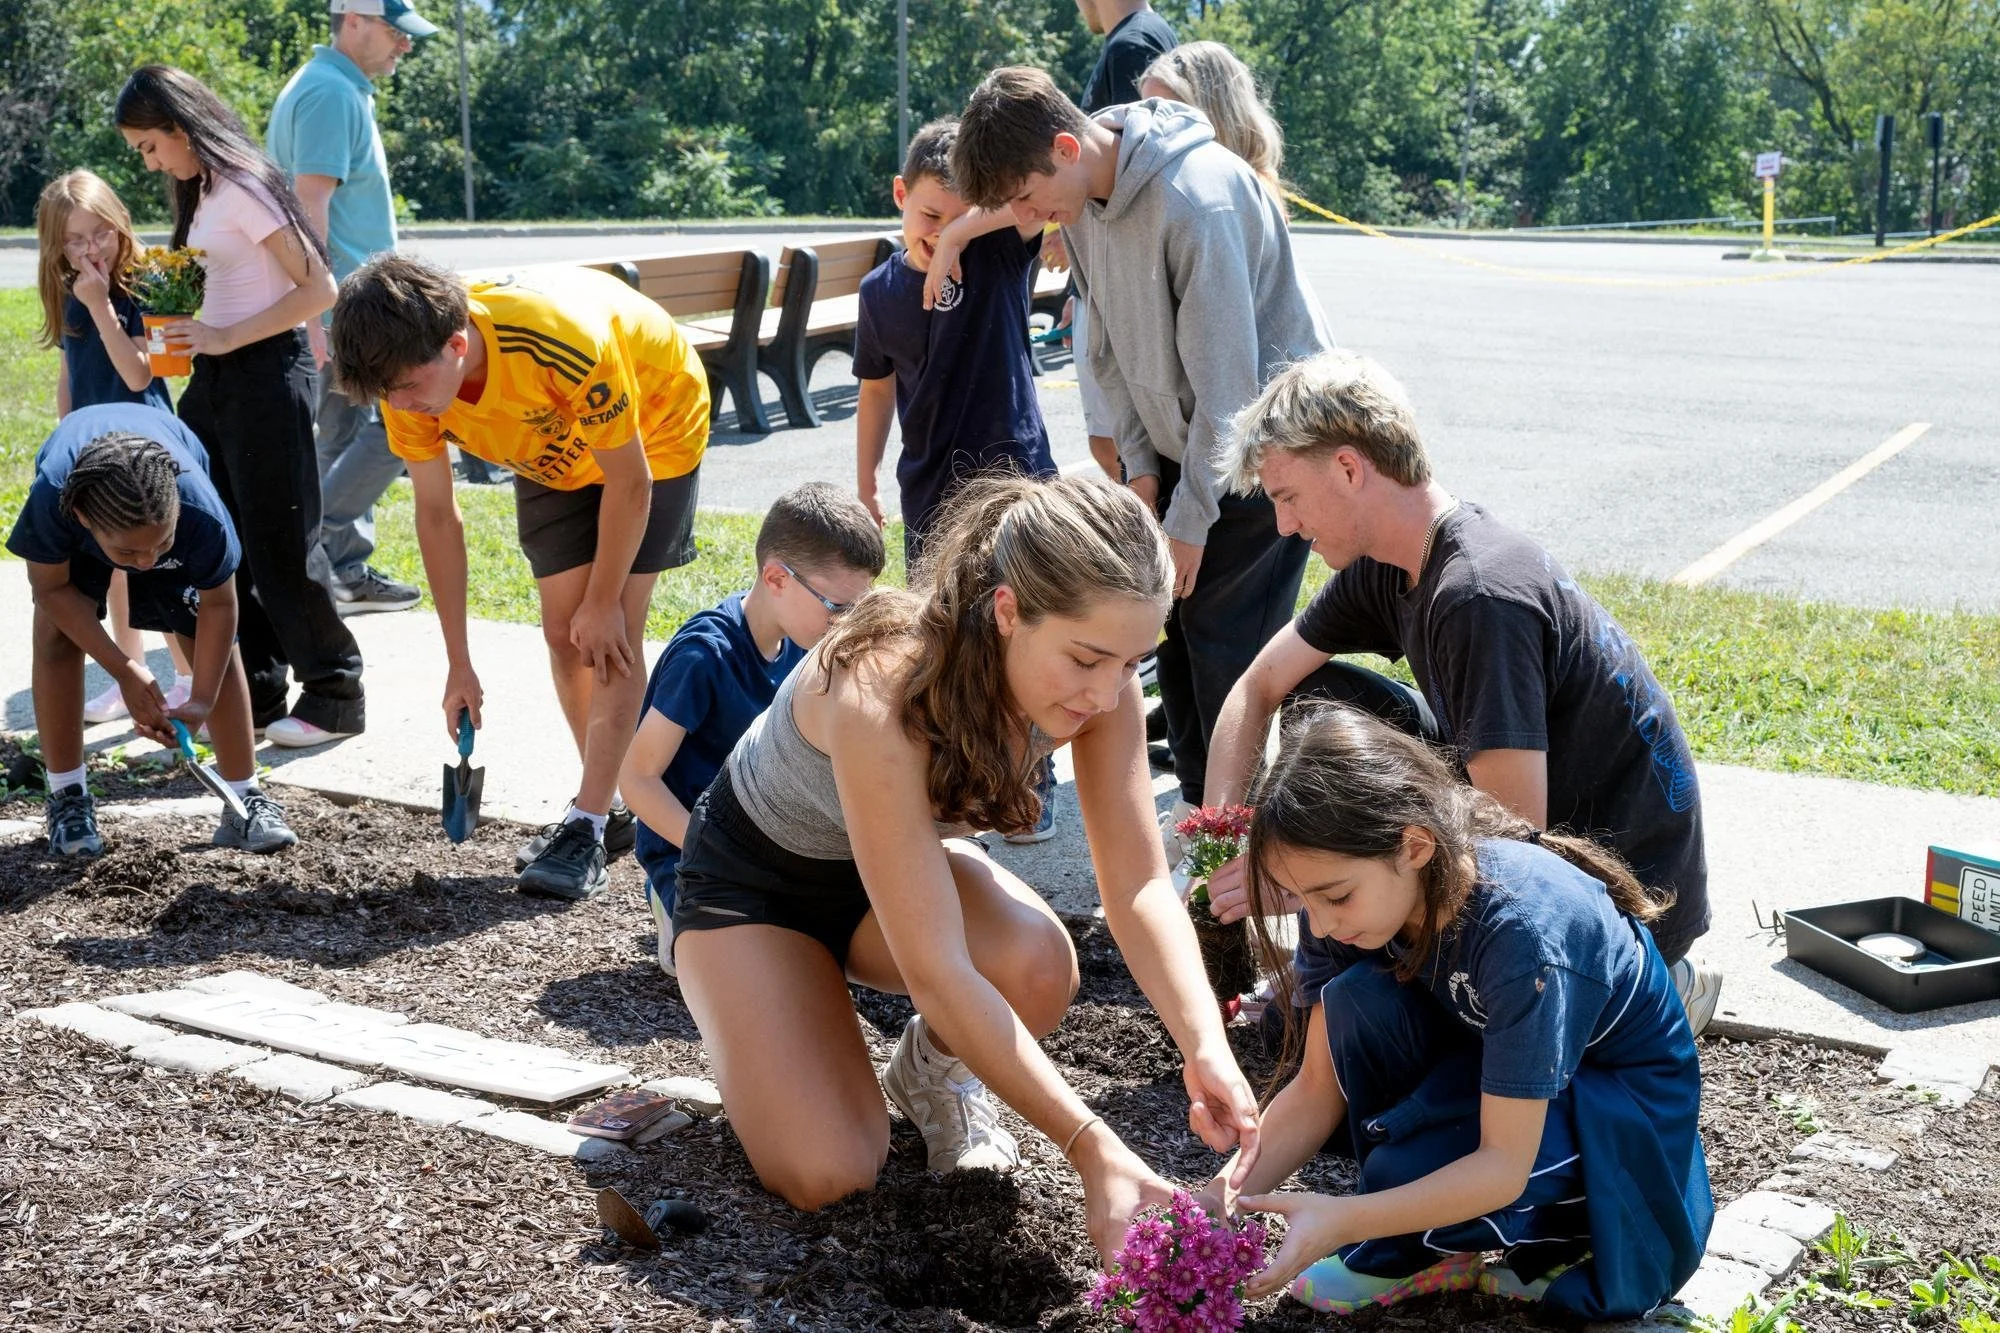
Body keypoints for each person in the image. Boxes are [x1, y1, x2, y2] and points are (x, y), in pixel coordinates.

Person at [669, 475, 1260, 1263]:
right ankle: (764, 1021)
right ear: (1007, 610)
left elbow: (1141, 886)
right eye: (1087, 658)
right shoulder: (881, 685)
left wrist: (1204, 1043)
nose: (1108, 691)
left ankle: (927, 1073)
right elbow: (939, 969)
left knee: (1038, 965)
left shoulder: (1102, 683)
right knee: (832, 1172)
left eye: (1132, 662)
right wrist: (1093, 1148)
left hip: (881, 884)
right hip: (753, 891)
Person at [1201, 350, 1720, 1032]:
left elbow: (1513, 839)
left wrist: (1301, 879)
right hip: (1537, 834)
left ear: (1350, 468)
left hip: (1629, 901)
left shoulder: (1478, 594)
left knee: (1371, 1027)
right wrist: (1227, 839)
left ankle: (1654, 992)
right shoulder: (1390, 565)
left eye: (1287, 497)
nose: (1285, 527)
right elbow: (1259, 684)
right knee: (1319, 702)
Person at [1211, 705, 1711, 1321]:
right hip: (1498, 1068)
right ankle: (1425, 1234)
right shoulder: (1345, 893)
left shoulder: (1525, 936)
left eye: (1335, 896)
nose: (1320, 923)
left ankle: (1534, 1240)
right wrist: (1217, 1203)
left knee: (1406, 1172)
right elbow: (1317, 1089)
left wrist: (1343, 1220)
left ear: (1415, 845)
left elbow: (1502, 1165)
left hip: (1618, 1108)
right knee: (1355, 1002)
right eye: (1302, 899)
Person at [953, 67, 1334, 839]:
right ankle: (1204, 823)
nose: (1029, 220)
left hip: (1267, 459)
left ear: (1066, 145)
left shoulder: (1196, 198)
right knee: (1176, 643)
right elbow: (1109, 356)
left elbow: (1231, 388)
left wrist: (1189, 518)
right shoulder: (1083, 202)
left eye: (1028, 198)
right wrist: (1141, 474)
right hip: (1185, 457)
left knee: (1226, 647)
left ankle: (1249, 841)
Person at [329, 255, 709, 902]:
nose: (403, 408)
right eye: (389, 396)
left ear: (456, 344)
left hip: (655, 432)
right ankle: (609, 804)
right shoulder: (407, 380)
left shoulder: (557, 343)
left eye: (410, 389)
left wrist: (603, 599)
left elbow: (631, 480)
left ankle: (588, 822)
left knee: (609, 631)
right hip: (547, 446)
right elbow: (437, 515)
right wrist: (459, 664)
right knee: (563, 635)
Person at [116, 64, 367, 751]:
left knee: (281, 543)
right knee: (220, 544)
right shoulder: (201, 191)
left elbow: (319, 289)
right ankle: (254, 689)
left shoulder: (248, 184)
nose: (149, 160)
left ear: (179, 125)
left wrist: (226, 334)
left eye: (150, 146)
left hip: (266, 373)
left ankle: (336, 691)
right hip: (216, 377)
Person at [855, 118, 1063, 844]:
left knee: (1029, 625)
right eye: (929, 214)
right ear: (899, 195)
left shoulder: (999, 252)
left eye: (961, 211)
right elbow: (877, 391)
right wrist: (866, 481)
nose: (941, 228)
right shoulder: (878, 293)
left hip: (1018, 478)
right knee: (950, 637)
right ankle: (967, 774)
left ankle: (1032, 775)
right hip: (930, 490)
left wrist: (958, 236)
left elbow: (1036, 202)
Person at [9, 406, 299, 856]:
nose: (146, 563)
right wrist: (125, 670)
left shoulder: (201, 516)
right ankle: (67, 797)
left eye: (160, 546)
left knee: (202, 633)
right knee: (57, 634)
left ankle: (245, 797)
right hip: (84, 507)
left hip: (167, 497)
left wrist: (200, 697)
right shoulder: (58, 500)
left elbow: (219, 607)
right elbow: (50, 590)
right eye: (129, 551)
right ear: (84, 519)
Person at [620, 483, 884, 977]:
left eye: (859, 611)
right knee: (760, 974)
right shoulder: (704, 656)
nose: (848, 626)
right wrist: (713, 848)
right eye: (838, 608)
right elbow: (637, 780)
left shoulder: (807, 645)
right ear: (776, 578)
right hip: (698, 855)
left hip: (775, 846)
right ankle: (669, 907)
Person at [267, 0, 436, 616]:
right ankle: (317, 551)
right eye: (397, 33)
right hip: (350, 311)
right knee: (404, 422)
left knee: (337, 436)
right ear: (354, 21)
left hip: (344, 306)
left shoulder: (332, 87)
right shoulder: (330, 94)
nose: (406, 47)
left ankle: (333, 571)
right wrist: (312, 316)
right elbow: (309, 204)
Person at [34, 169, 196, 723]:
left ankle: (190, 674)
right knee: (118, 563)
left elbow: (136, 374)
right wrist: (66, 436)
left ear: (118, 223)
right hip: (94, 447)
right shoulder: (68, 283)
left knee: (159, 565)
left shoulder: (140, 284)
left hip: (142, 441)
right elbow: (69, 370)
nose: (90, 249)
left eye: (99, 233)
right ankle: (133, 673)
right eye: (75, 241)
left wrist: (102, 304)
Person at [1065, 0, 1177, 482]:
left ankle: (1138, 546)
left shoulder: (1133, 44)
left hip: (1127, 278)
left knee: (1117, 448)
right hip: (1112, 274)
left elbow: (1139, 174)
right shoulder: (1141, 36)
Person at [1136, 42, 1285, 197]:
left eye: (1170, 114)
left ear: (1216, 116)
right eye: (1148, 113)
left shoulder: (1244, 195)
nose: (1152, 129)